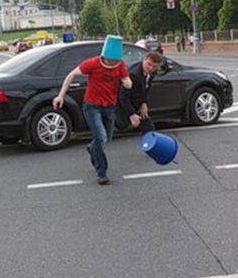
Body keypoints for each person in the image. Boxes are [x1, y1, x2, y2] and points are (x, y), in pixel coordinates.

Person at [52, 36, 132, 185]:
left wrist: (127, 82)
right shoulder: (92, 64)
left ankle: (91, 148)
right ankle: (102, 172)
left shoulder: (119, 65)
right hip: (92, 106)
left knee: (105, 139)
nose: (114, 64)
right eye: (111, 61)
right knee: (101, 138)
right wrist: (60, 96)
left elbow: (127, 79)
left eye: (116, 61)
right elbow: (71, 75)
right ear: (105, 57)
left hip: (109, 106)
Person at [116, 52, 163, 134]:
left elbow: (146, 88)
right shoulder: (133, 75)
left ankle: (151, 144)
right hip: (123, 106)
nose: (150, 68)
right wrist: (132, 114)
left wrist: (144, 103)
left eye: (154, 66)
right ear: (144, 60)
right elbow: (123, 97)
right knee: (120, 125)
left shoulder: (152, 72)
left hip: (137, 103)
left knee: (149, 129)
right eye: (149, 64)